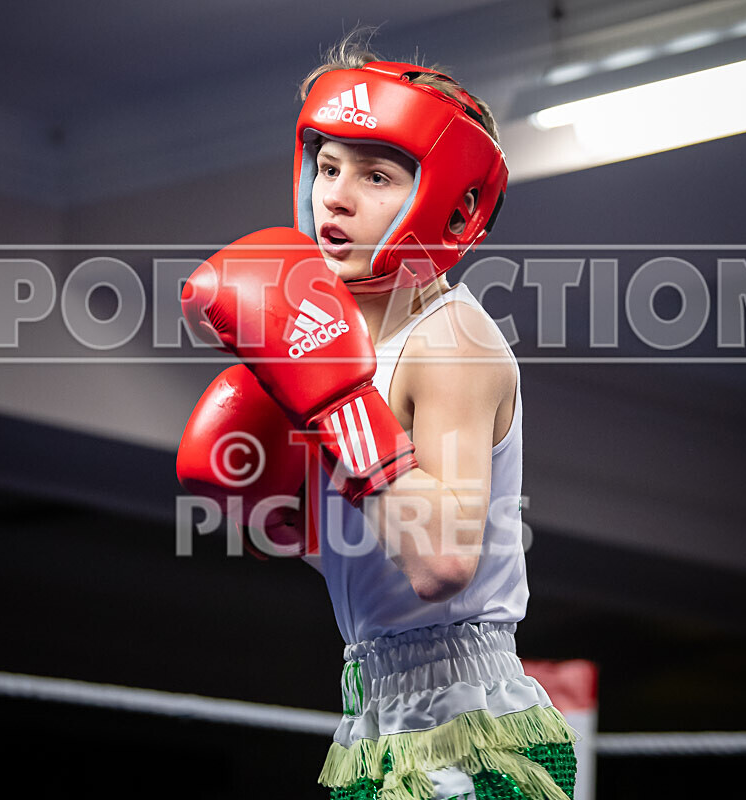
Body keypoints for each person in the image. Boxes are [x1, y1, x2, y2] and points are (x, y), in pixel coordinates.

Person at [178, 32, 577, 800]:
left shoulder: (452, 338)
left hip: (468, 722)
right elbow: (371, 556)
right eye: (327, 166)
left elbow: (442, 562)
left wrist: (337, 403)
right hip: (379, 704)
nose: (336, 194)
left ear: (449, 204)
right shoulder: (336, 343)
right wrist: (278, 517)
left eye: (377, 175)